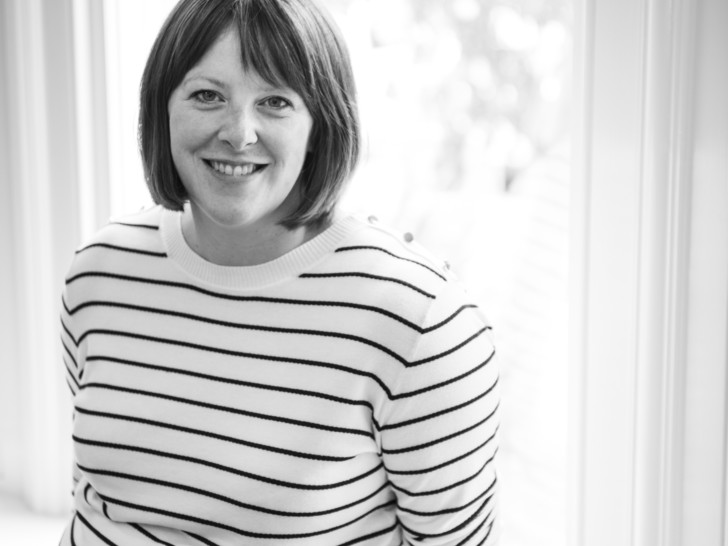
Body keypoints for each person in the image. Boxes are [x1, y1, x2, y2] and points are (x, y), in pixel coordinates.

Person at [59, 0, 499, 544]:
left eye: (274, 101)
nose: (239, 133)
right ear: (162, 108)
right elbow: (94, 500)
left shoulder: (420, 321)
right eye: (206, 95)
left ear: (320, 126)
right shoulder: (98, 274)